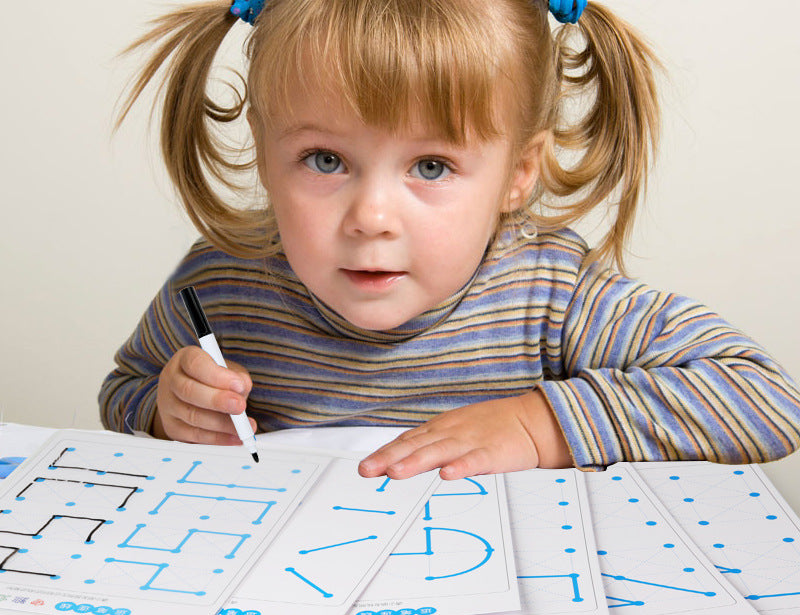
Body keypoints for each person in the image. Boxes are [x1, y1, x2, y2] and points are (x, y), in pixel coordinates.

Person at [99, 0, 800, 481]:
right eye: (324, 160)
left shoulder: (552, 297)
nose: (371, 216)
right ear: (262, 149)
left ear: (517, 175)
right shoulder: (222, 284)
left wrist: (540, 427)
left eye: (431, 167)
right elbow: (124, 391)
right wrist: (163, 411)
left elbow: (766, 400)